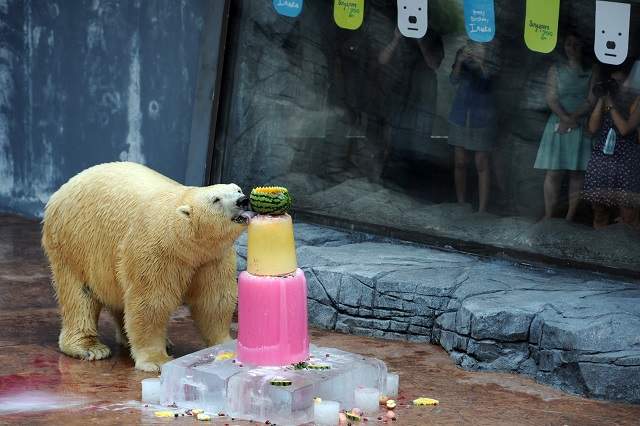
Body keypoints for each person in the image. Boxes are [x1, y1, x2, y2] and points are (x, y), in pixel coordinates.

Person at [533, 33, 595, 221]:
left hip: (580, 122)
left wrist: (572, 118)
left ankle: (569, 217)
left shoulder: (592, 70)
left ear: (583, 46)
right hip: (558, 121)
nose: (572, 48)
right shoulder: (556, 69)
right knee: (553, 171)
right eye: (568, 44)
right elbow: (550, 98)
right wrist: (565, 118)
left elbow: (591, 99)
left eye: (576, 44)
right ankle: (549, 214)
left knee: (576, 172)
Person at [583, 63, 640, 228]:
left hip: (626, 161)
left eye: (619, 83)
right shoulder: (608, 100)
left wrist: (610, 104)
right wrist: (602, 99)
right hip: (603, 159)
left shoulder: (637, 100)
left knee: (629, 217)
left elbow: (625, 129)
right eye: (612, 82)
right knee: (600, 212)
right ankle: (598, 250)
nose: (617, 87)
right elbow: (592, 128)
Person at [448, 41, 498, 213]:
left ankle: (482, 210)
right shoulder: (463, 51)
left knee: (481, 163)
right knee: (460, 162)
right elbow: (453, 80)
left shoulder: (491, 53)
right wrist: (461, 61)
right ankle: (461, 203)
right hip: (460, 114)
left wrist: (481, 60)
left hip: (482, 117)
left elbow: (489, 85)